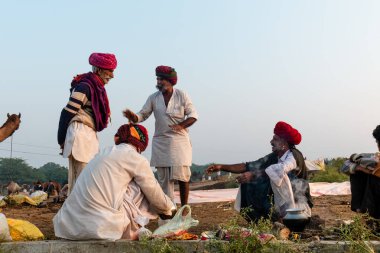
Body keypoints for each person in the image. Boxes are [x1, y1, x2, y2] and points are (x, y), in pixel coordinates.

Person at [53, 124, 175, 241]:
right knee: (139, 187)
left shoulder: (103, 153)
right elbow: (154, 193)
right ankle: (131, 231)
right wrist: (169, 211)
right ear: (139, 146)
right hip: (100, 227)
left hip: (71, 227)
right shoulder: (135, 158)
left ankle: (131, 229)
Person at [206, 121, 312, 221]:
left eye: (275, 139)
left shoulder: (294, 155)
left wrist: (254, 175)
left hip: (299, 203)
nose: (271, 142)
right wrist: (221, 167)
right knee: (249, 183)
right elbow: (249, 166)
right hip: (278, 199)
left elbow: (281, 170)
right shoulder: (274, 157)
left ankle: (285, 218)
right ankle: (264, 220)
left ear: (283, 143)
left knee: (282, 178)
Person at [123, 65, 198, 206]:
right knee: (164, 181)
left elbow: (193, 115)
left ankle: (185, 208)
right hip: (161, 142)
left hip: (179, 141)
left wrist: (181, 125)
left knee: (183, 177)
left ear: (170, 81)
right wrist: (133, 117)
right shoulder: (153, 98)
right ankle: (169, 210)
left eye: (161, 79)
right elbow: (142, 115)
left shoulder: (182, 95)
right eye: (157, 79)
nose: (158, 82)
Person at [57, 53, 117, 194]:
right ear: (98, 70)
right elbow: (67, 113)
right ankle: (77, 213)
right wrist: (61, 139)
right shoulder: (85, 87)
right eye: (110, 71)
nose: (112, 75)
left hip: (88, 133)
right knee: (83, 178)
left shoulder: (96, 88)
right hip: (80, 133)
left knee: (86, 177)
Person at [343, 125, 380, 219]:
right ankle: (364, 210)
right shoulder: (373, 159)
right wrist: (359, 168)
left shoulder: (374, 161)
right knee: (359, 172)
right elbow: (345, 166)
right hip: (373, 202)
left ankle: (365, 210)